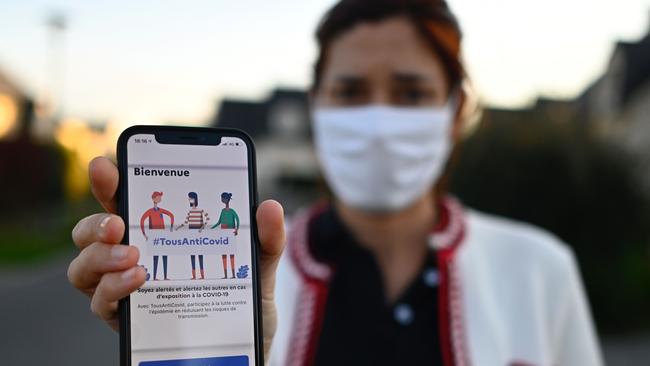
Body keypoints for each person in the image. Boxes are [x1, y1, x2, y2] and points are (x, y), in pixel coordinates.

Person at [67, 0, 603, 365]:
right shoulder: (248, 284)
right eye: (349, 92)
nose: (377, 120)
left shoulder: (540, 270)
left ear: (455, 107)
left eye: (411, 93)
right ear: (316, 104)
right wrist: (187, 346)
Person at [139, 191, 174, 280]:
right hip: (154, 235)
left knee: (164, 255)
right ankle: (154, 277)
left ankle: (165, 276)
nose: (160, 199)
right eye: (159, 197)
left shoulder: (161, 210)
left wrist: (171, 227)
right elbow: (142, 220)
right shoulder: (150, 211)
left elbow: (171, 215)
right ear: (154, 199)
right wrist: (144, 234)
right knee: (156, 257)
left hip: (162, 235)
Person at [175, 191, 210, 280]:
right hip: (191, 233)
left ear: (195, 199)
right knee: (192, 255)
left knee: (200, 254)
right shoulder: (190, 211)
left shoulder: (200, 210)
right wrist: (179, 227)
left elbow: (208, 219)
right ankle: (194, 275)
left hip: (198, 234)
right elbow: (186, 222)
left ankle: (202, 275)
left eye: (190, 198)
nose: (189, 200)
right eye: (189, 198)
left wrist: (202, 227)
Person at [211, 192, 240, 279]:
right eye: (222, 198)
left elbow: (237, 220)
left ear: (227, 199)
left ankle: (233, 274)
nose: (222, 200)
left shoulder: (232, 211)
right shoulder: (222, 211)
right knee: (224, 254)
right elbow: (219, 222)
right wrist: (211, 229)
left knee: (231, 254)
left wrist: (236, 229)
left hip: (230, 233)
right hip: (223, 234)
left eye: (223, 198)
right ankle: (226, 275)